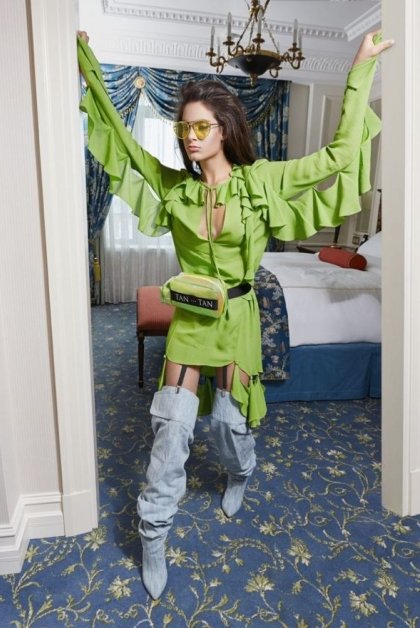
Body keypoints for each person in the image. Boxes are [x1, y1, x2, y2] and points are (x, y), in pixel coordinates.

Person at [77, 30, 393, 599]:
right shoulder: (175, 189)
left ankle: (239, 471)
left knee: (228, 423)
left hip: (240, 316)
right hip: (192, 316)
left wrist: (359, 70)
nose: (192, 137)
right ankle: (154, 531)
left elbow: (338, 157)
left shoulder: (261, 181)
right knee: (171, 426)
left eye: (202, 127)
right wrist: (90, 70)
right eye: (184, 129)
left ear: (224, 129)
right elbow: (122, 147)